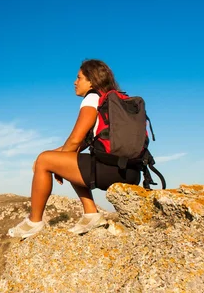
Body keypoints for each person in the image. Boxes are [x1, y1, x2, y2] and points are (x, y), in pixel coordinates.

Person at [8, 59, 142, 238]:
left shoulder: (92, 98)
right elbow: (79, 145)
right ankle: (90, 214)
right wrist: (60, 159)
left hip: (110, 171)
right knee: (69, 157)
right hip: (132, 172)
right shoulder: (111, 101)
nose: (74, 82)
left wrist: (54, 164)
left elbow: (75, 139)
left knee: (43, 159)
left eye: (79, 78)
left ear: (92, 81)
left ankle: (33, 222)